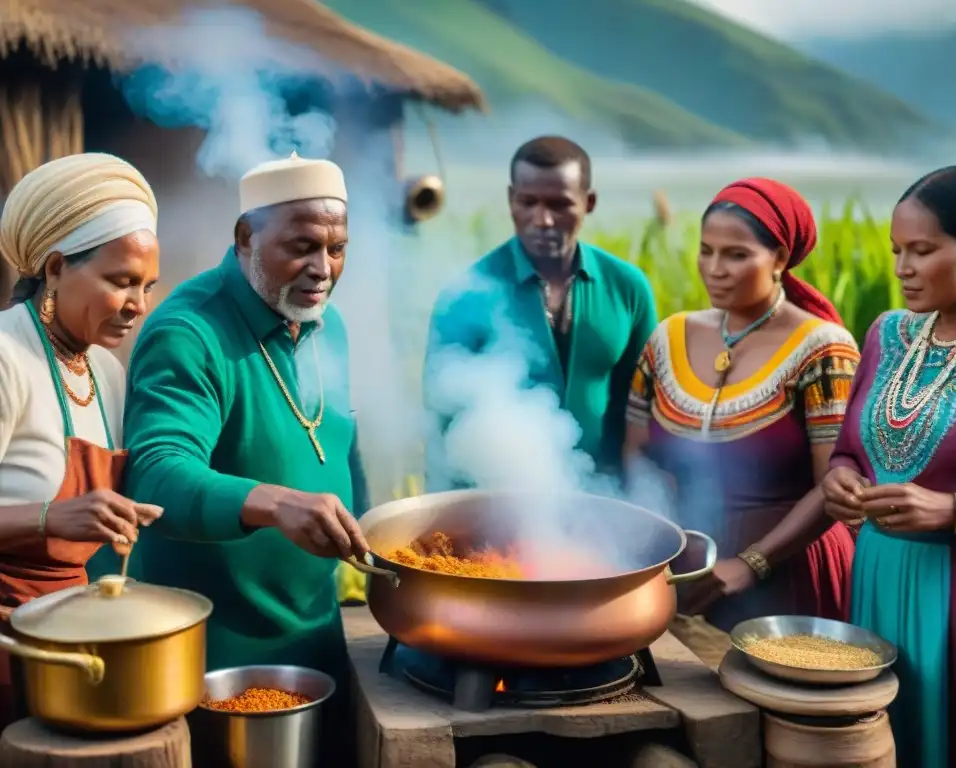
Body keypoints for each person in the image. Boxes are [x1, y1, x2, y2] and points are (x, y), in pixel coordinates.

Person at [122, 152, 369, 764]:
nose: (323, 269)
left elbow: (337, 442)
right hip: (220, 662)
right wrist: (276, 502)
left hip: (319, 635)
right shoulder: (189, 332)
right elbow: (156, 472)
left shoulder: (325, 324)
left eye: (337, 248)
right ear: (245, 238)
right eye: (301, 246)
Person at [823, 166, 956, 768]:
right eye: (896, 251)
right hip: (878, 580)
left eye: (922, 250)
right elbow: (853, 449)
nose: (901, 268)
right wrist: (839, 476)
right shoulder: (887, 336)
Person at [625, 178, 858, 631]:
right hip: (686, 568)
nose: (715, 268)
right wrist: (656, 542)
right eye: (706, 250)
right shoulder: (668, 337)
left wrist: (752, 563)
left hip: (788, 572)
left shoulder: (823, 349)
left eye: (736, 255)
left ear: (781, 259)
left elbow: (834, 485)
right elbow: (636, 451)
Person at [0, 152, 163, 728]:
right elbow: (59, 516)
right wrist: (51, 517)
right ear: (54, 268)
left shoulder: (106, 371)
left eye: (147, 286)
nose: (138, 306)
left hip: (65, 639)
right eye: (121, 281)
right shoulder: (5, 357)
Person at [424, 136, 657, 489]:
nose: (543, 219)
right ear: (510, 200)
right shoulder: (465, 293)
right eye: (528, 202)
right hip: (496, 505)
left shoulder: (627, 287)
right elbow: (442, 418)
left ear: (588, 202)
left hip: (603, 503)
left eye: (559, 204)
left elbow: (641, 410)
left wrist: (641, 500)